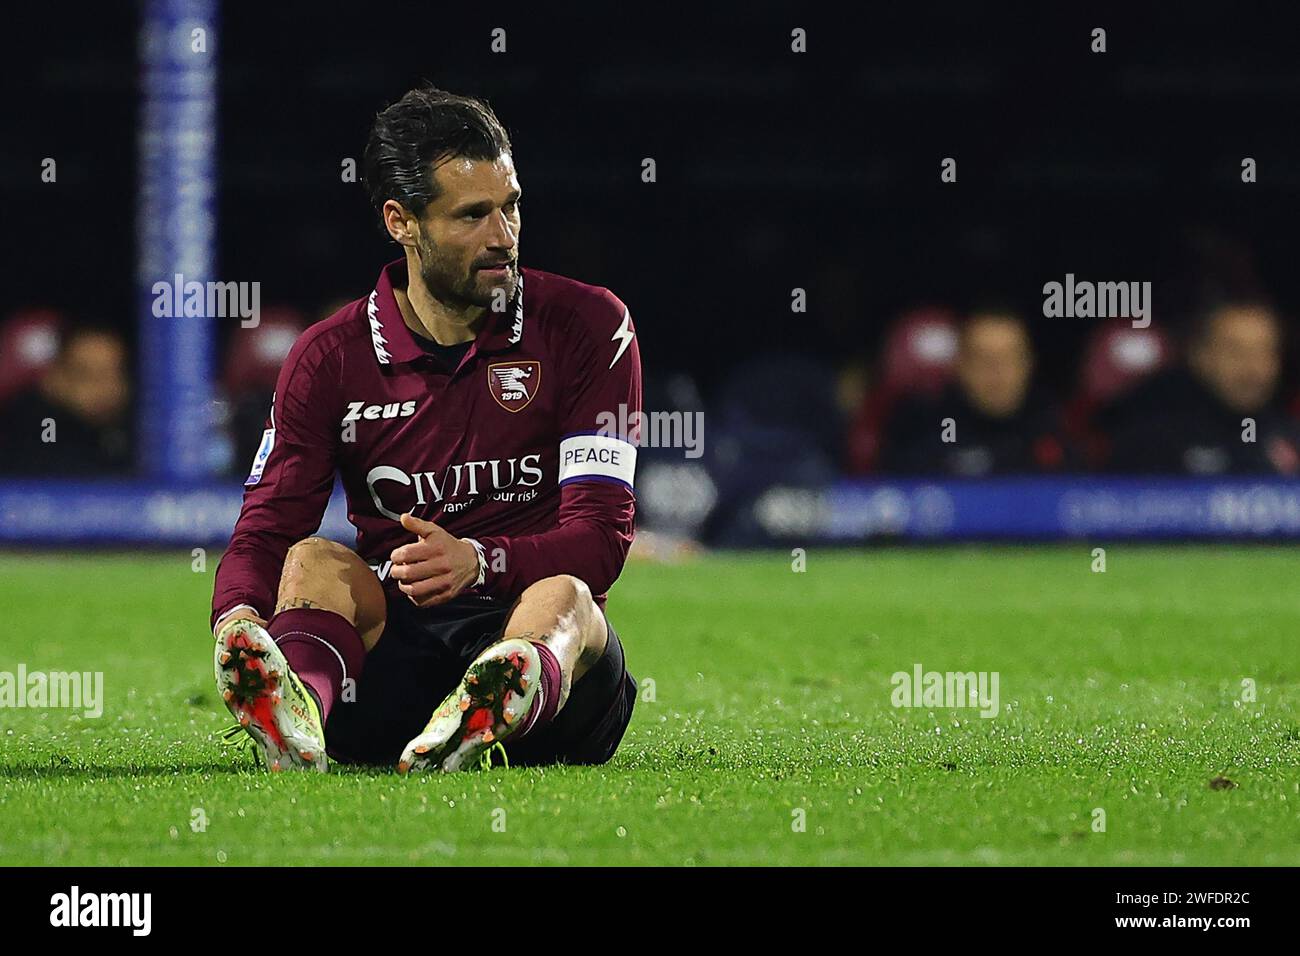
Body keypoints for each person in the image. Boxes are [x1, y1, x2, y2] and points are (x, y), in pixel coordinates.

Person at [212, 86, 642, 774]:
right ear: (401, 222)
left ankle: (500, 693)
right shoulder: (329, 357)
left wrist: (480, 559)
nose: (502, 237)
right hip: (391, 667)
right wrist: (237, 621)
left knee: (569, 596)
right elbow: (267, 527)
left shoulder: (589, 326)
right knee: (312, 562)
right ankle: (292, 714)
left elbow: (601, 541)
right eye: (472, 215)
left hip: (554, 679)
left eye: (512, 207)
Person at [1104, 301, 1299, 474]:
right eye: (1236, 352)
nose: (1253, 368)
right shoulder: (1149, 443)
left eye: (1265, 352)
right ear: (1199, 356)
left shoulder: (1291, 437)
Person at [878, 310, 1069, 476]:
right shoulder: (928, 437)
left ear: (1028, 365)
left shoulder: (1057, 436)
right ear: (959, 365)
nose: (996, 371)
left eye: (1008, 358)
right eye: (983, 358)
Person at [0, 324, 132, 476]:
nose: (105, 388)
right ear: (53, 378)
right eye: (86, 375)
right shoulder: (33, 429)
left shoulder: (140, 427)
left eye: (115, 374)